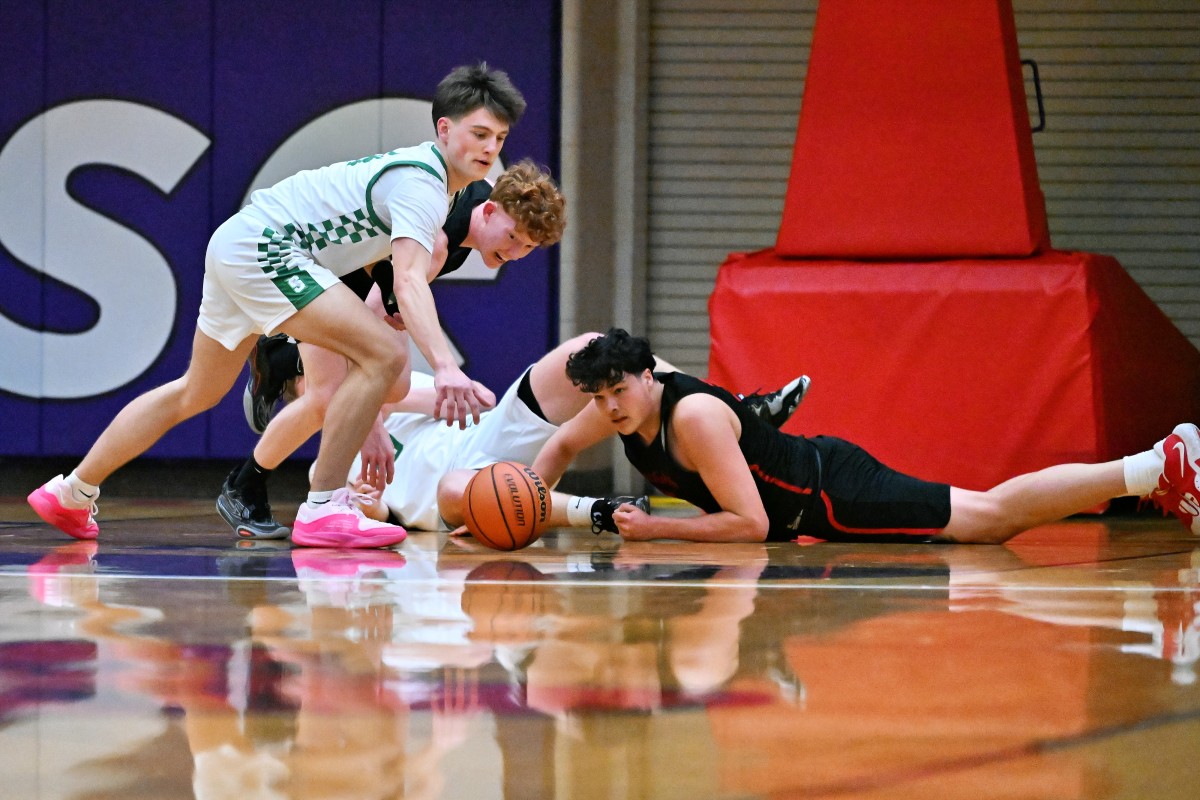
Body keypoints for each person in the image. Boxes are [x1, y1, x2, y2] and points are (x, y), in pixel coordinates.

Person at [28, 63, 525, 549]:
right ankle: (325, 507)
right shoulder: (423, 185)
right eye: (479, 133)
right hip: (269, 249)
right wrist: (443, 366)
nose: (489, 148)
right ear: (444, 128)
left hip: (239, 243)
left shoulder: (427, 181)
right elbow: (410, 282)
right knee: (386, 357)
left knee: (194, 393)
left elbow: (390, 278)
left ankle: (72, 490)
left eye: (499, 139)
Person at [530, 328, 1200, 544]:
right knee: (989, 516)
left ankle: (1154, 466)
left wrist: (655, 530)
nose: (612, 407)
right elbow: (558, 449)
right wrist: (526, 509)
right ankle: (1156, 471)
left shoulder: (693, 417)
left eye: (621, 390)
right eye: (602, 397)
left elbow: (748, 523)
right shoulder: (617, 412)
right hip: (814, 494)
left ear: (651, 376)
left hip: (832, 492)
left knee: (991, 518)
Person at [218, 161, 567, 539]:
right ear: (488, 211)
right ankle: (256, 473)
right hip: (316, 270)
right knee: (331, 395)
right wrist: (373, 424)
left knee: (386, 387)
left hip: (350, 276)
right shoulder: (438, 241)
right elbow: (370, 338)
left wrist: (375, 412)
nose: (516, 252)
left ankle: (281, 360)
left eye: (529, 247)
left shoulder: (482, 203)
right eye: (513, 237)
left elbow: (382, 316)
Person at [326, 333, 808, 536]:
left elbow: (479, 400)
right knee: (457, 487)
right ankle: (600, 511)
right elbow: (383, 516)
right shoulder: (327, 465)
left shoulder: (387, 398)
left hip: (491, 432)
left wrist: (376, 406)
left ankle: (737, 407)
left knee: (588, 348)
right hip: (457, 496)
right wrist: (370, 508)